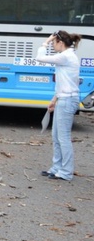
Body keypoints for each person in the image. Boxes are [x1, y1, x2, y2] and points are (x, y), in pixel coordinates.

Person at [36, 30, 82, 181]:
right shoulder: (67, 56)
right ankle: (57, 168)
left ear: (60, 43)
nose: (52, 46)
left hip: (68, 100)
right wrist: (54, 99)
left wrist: (45, 42)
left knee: (63, 137)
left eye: (53, 43)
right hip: (64, 98)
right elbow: (65, 82)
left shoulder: (66, 56)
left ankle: (66, 172)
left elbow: (40, 58)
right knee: (56, 136)